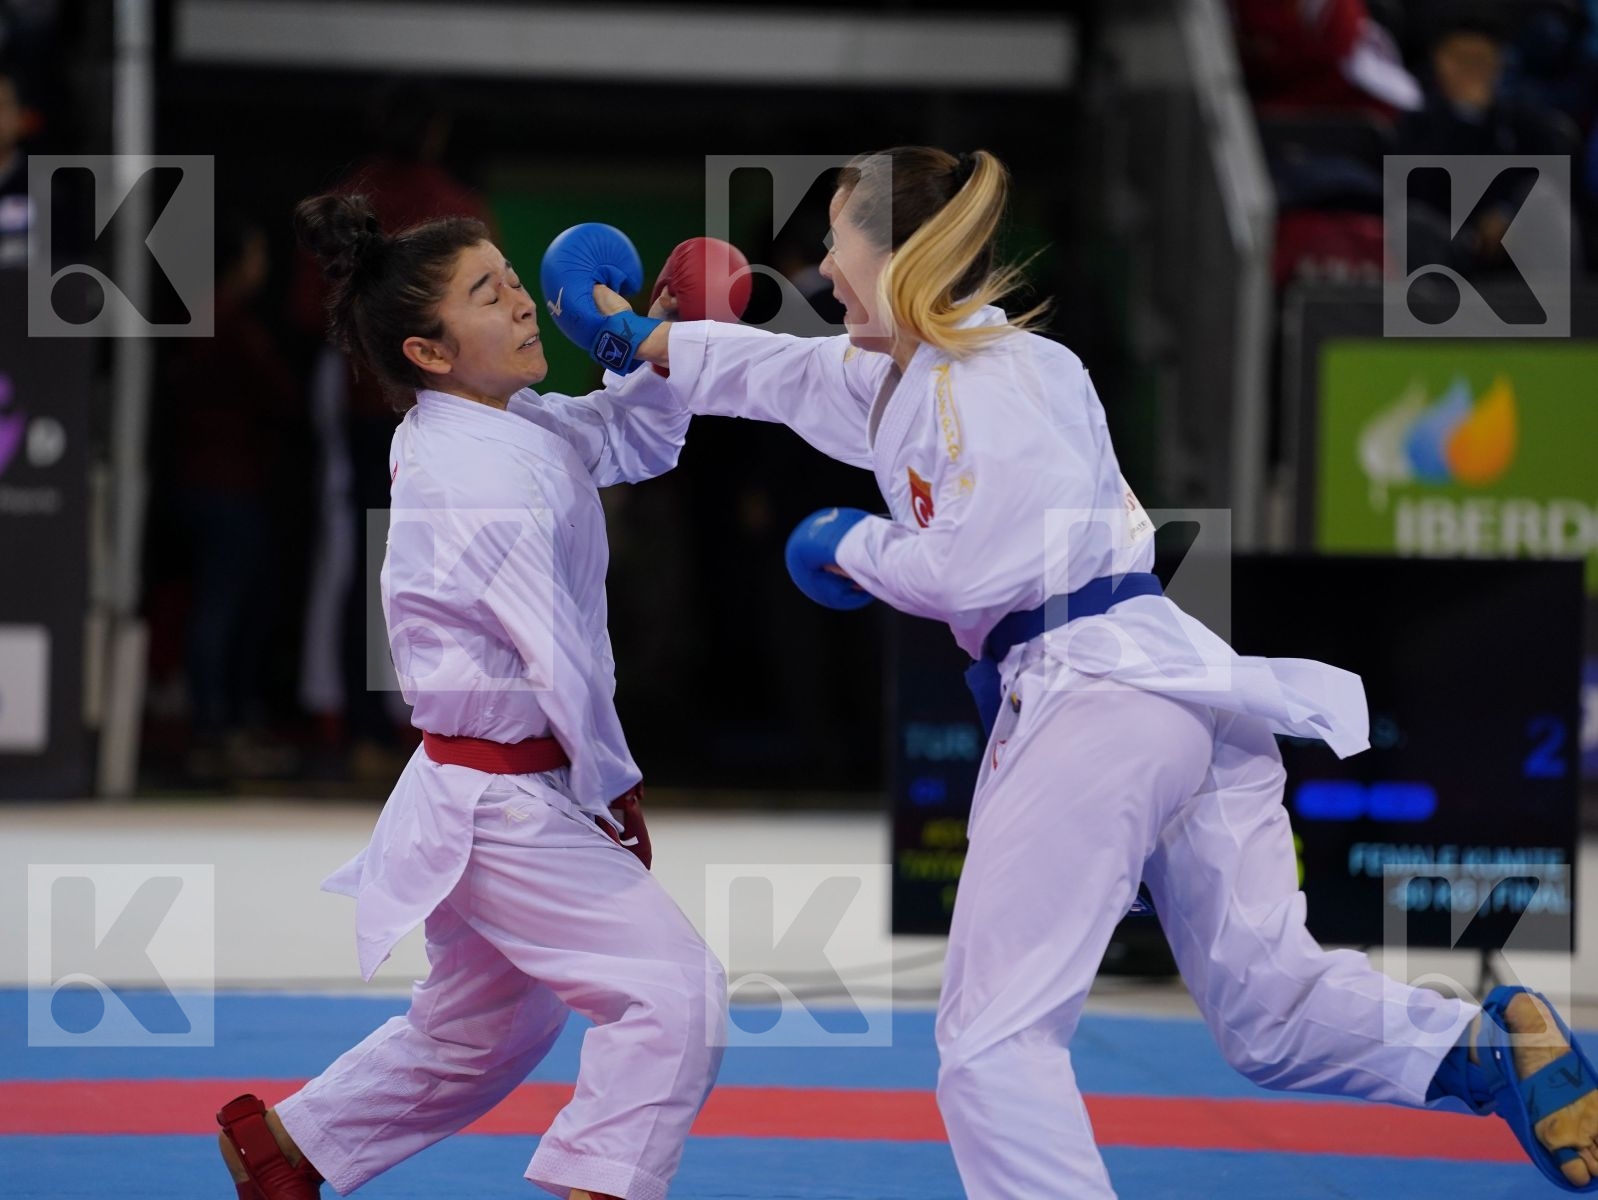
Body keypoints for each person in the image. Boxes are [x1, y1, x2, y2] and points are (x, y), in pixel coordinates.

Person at [544, 146, 1598, 1197]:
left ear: (899, 255)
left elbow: (976, 565)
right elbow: (773, 374)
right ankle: (1483, 1048)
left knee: (993, 1041)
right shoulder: (922, 374)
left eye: (834, 241)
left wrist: (848, 545)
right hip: (1181, 703)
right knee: (1267, 1009)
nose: (821, 269)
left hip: (1091, 695)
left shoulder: (987, 384)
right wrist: (643, 337)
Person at [215, 197, 726, 1200]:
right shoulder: (469, 472)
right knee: (674, 996)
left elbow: (629, 444)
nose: (525, 302)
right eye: (488, 294)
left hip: (495, 787)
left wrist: (649, 352)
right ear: (430, 349)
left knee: (484, 1030)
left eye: (513, 279)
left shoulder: (506, 424)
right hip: (500, 800)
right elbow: (558, 654)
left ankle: (286, 1147)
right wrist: (611, 788)